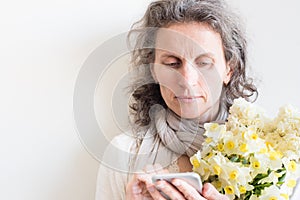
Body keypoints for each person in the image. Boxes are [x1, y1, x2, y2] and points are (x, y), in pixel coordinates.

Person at [95, 0, 258, 199]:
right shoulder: (124, 153)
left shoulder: (270, 152)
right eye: (172, 63)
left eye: (204, 63)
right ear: (153, 70)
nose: (187, 81)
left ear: (229, 69)